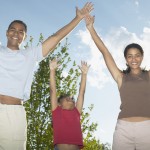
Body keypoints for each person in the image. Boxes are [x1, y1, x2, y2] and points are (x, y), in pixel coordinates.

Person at [0, 3, 94, 150]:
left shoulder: (29, 55)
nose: (16, 34)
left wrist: (78, 18)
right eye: (13, 30)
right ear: (6, 32)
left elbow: (55, 37)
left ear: (24, 37)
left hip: (13, 114)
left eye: (21, 32)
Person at [84, 14, 150, 150]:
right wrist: (91, 29)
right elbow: (105, 52)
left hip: (147, 128)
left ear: (142, 57)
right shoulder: (121, 77)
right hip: (123, 129)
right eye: (130, 56)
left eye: (137, 55)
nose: (134, 59)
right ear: (126, 59)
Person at [49, 59, 90, 150]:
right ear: (60, 104)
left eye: (72, 99)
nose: (70, 99)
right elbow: (52, 91)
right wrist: (52, 71)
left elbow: (81, 92)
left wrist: (84, 75)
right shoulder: (56, 110)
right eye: (67, 99)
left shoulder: (76, 111)